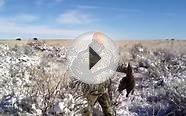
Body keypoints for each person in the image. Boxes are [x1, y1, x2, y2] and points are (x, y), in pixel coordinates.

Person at [71, 32, 114, 116]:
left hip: (103, 90)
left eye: (100, 42)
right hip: (90, 91)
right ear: (93, 41)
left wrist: (126, 69)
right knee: (87, 113)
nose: (99, 44)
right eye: (96, 42)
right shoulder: (83, 55)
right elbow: (74, 68)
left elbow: (113, 65)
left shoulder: (108, 54)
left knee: (110, 112)